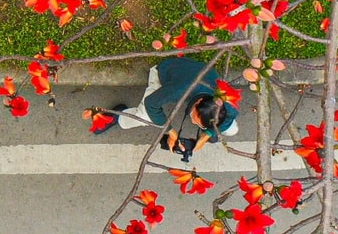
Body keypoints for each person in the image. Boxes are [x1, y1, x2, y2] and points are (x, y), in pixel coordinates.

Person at [84, 54, 239, 158]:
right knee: (146, 116)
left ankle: (209, 128)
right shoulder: (178, 91)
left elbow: (230, 115)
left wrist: (207, 135)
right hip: (163, 74)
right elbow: (151, 104)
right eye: (195, 118)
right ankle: (118, 116)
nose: (192, 122)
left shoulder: (226, 100)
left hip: (188, 71)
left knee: (232, 128)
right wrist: (171, 132)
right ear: (198, 102)